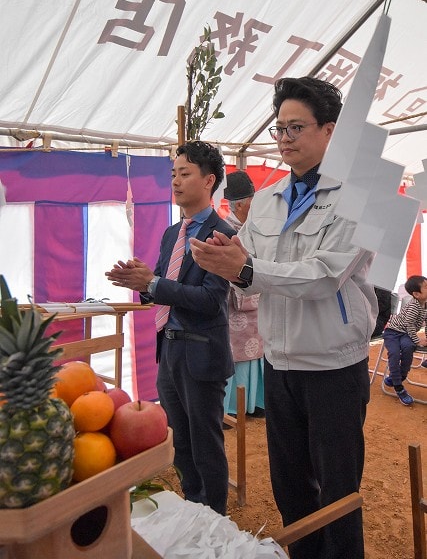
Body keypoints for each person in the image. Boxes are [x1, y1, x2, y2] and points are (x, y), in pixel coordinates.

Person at [190, 77, 378, 559]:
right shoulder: (270, 199)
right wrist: (230, 258)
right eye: (279, 128)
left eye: (296, 126)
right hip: (281, 362)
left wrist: (247, 267)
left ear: (330, 131)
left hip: (334, 364)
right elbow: (250, 271)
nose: (285, 137)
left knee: (338, 492)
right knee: (290, 485)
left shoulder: (358, 196)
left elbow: (323, 276)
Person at [105, 140, 235, 516]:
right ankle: (192, 506)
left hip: (202, 353)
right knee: (179, 441)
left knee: (205, 441)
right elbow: (163, 287)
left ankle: (214, 517)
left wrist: (154, 285)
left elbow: (211, 298)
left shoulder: (220, 233)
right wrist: (142, 284)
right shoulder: (171, 233)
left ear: (209, 181)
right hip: (170, 347)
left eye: (185, 173)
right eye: (173, 174)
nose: (175, 182)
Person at [223, 171, 264, 417]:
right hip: (236, 302)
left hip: (258, 299)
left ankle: (256, 402)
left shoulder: (254, 228)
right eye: (251, 201)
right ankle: (234, 406)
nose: (255, 205)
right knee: (238, 353)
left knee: (259, 350)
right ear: (239, 204)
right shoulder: (226, 230)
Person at [383, 275, 427, 404]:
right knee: (395, 354)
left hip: (406, 334)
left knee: (408, 347)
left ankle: (400, 376)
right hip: (393, 333)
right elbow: (409, 325)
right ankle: (399, 387)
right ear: (416, 294)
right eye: (426, 287)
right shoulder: (414, 306)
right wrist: (418, 340)